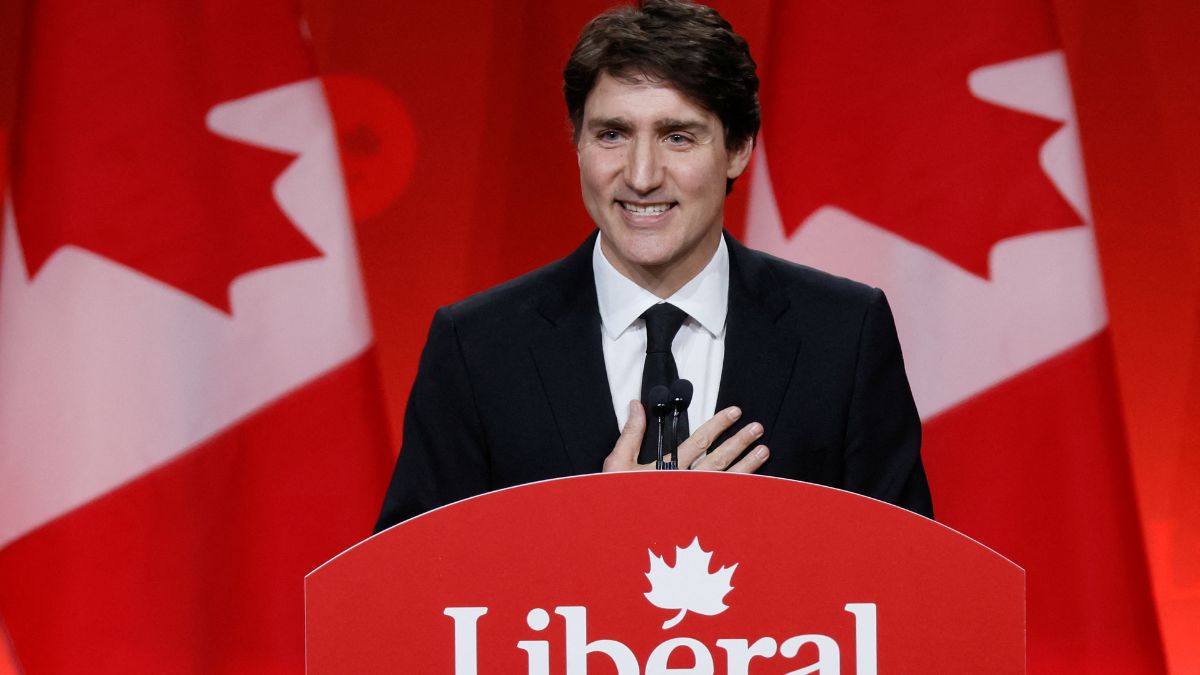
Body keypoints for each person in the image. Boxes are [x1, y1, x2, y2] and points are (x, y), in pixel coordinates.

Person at [374, 0, 931, 532]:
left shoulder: (842, 334)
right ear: (576, 141)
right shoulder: (478, 348)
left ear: (738, 149)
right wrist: (599, 531)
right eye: (612, 134)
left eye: (677, 136)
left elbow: (911, 580)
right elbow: (408, 588)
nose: (641, 175)